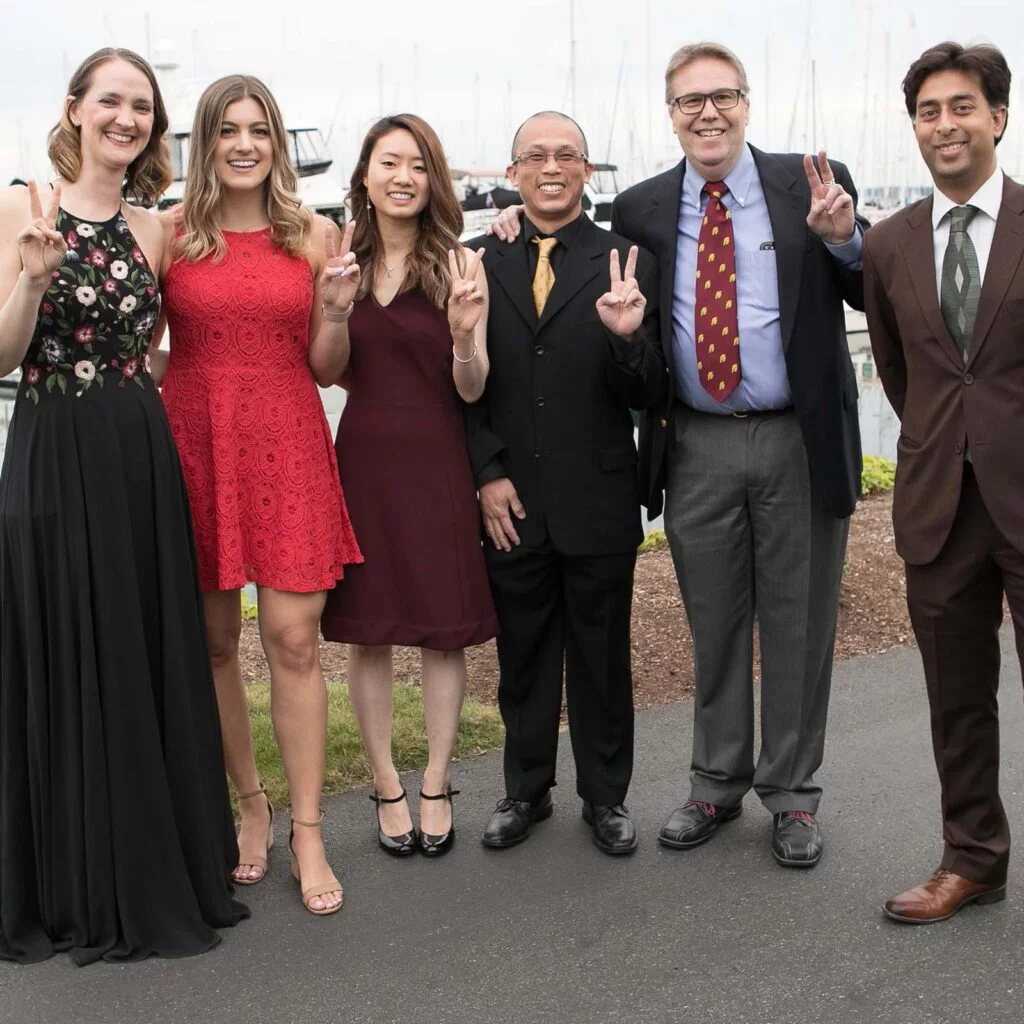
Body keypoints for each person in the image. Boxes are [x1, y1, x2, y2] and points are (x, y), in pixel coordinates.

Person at [0, 48, 248, 965]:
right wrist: (31, 275)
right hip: (54, 444)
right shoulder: (21, 204)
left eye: (142, 106)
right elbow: (0, 355)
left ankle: (158, 863)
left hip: (139, 450)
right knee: (64, 641)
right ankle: (71, 881)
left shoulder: (158, 228)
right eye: (110, 101)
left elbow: (251, 258)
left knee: (142, 648)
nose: (127, 118)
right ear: (73, 110)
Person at [610, 42, 865, 866]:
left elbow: (872, 293)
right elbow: (632, 330)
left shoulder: (813, 181)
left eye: (722, 97)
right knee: (713, 621)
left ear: (748, 104)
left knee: (799, 622)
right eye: (690, 101)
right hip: (696, 443)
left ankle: (791, 796)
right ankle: (715, 783)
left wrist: (847, 240)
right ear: (671, 115)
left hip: (798, 437)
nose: (707, 113)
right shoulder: (642, 206)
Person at [155, 75, 362, 916]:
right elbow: (153, 351)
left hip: (287, 439)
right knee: (209, 643)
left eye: (260, 131)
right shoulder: (167, 236)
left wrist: (339, 312)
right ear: (204, 144)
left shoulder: (315, 236)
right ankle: (250, 805)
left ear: (277, 144)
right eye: (227, 131)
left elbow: (327, 367)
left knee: (293, 639)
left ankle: (307, 829)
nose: (244, 144)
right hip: (194, 445)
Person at [469, 111, 663, 856]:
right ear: (512, 172)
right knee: (523, 655)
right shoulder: (479, 261)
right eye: (535, 156)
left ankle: (606, 798)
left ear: (587, 171)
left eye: (567, 155)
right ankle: (525, 790)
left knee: (602, 657)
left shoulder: (627, 261)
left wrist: (625, 341)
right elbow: (460, 387)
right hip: (510, 500)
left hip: (599, 496)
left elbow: (649, 392)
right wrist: (485, 472)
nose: (552, 167)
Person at [864, 42, 1021, 924]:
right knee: (957, 703)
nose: (945, 124)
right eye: (929, 111)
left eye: (962, 106)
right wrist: (945, 441)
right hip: (939, 508)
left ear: (998, 117)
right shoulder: (888, 245)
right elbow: (901, 370)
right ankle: (974, 858)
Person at [319, 114, 497, 858]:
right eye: (388, 162)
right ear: (364, 174)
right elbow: (327, 369)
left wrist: (462, 337)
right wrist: (333, 310)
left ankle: (436, 779)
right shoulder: (339, 259)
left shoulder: (459, 262)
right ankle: (386, 781)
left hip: (436, 461)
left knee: (438, 629)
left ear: (433, 181)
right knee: (368, 631)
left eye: (417, 165)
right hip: (360, 461)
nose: (402, 176)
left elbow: (474, 386)